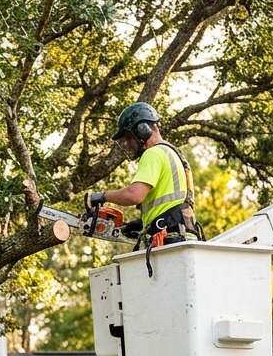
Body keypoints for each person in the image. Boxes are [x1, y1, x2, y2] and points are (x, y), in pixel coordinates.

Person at [86, 102, 201, 248]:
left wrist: (102, 196)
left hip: (170, 238)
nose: (128, 144)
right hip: (182, 234)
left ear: (142, 130)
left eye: (128, 138)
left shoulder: (153, 153)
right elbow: (173, 203)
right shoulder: (171, 153)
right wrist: (141, 223)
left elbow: (134, 195)